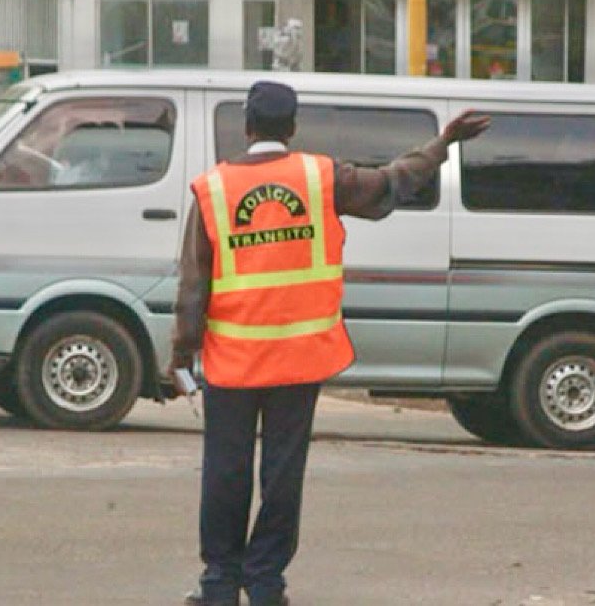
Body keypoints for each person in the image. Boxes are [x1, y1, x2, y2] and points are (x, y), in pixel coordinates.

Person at [168, 80, 490, 606]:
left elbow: (192, 286)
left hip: (233, 362)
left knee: (226, 471)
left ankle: (220, 585)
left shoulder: (215, 189)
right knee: (282, 472)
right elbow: (392, 183)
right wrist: (442, 144)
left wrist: (182, 356)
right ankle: (267, 583)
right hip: (299, 359)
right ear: (291, 129)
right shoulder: (321, 178)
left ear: (246, 127)